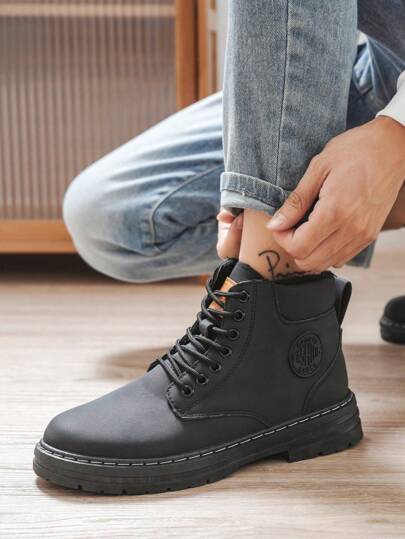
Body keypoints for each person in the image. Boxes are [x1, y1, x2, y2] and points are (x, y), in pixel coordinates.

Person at [34, 1, 405, 494]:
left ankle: (276, 320)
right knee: (110, 218)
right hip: (379, 66)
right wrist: (251, 187)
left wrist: (396, 137)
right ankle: (293, 282)